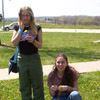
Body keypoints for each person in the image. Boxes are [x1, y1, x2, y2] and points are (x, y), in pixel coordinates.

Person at [11, 6, 45, 100]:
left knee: (38, 85)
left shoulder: (37, 28)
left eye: (27, 15)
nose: (25, 18)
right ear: (20, 16)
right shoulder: (17, 27)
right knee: (24, 86)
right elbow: (14, 43)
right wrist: (21, 30)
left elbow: (40, 45)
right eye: (23, 15)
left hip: (34, 59)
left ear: (31, 16)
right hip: (22, 60)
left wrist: (33, 41)